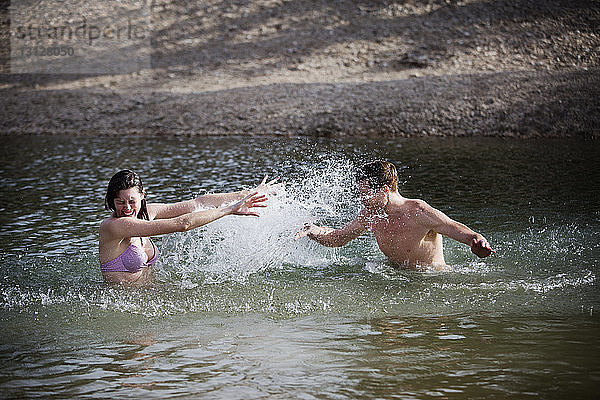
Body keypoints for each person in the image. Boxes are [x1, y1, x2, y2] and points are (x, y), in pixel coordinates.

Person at [295, 160, 494, 270]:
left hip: (431, 279)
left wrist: (477, 240)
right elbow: (338, 238)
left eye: (366, 194)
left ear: (385, 189)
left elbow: (456, 228)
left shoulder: (418, 211)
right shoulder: (371, 214)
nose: (362, 200)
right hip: (394, 275)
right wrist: (312, 230)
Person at [99, 170, 280, 285]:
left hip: (151, 297)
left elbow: (198, 203)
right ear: (112, 202)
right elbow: (183, 224)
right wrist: (230, 210)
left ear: (142, 196)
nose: (127, 208)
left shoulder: (146, 213)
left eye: (132, 201)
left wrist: (248, 193)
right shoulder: (115, 227)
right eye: (120, 202)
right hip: (125, 305)